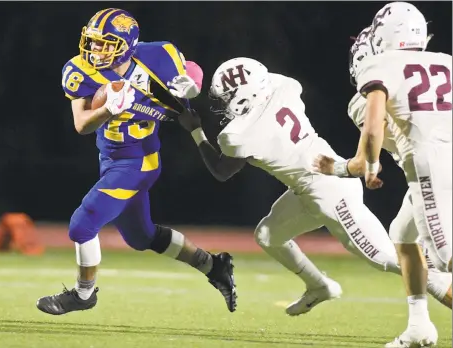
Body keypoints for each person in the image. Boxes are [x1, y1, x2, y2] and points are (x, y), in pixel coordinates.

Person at [178, 56, 429, 318]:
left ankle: (442, 272)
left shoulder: (236, 135)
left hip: (329, 194)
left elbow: (221, 171)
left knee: (387, 259)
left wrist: (196, 131)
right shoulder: (284, 86)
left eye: (225, 98)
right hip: (317, 181)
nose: (222, 105)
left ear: (242, 97)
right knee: (268, 235)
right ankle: (319, 286)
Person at [36, 8, 237, 316]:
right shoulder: (79, 70)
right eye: (93, 42)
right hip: (110, 158)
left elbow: (190, 69)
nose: (95, 50)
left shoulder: (158, 57)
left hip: (139, 161)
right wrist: (107, 111)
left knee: (82, 224)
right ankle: (213, 265)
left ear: (126, 46)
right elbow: (81, 124)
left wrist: (193, 84)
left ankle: (83, 294)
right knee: (141, 237)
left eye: (105, 44)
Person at [331, 2, 451, 346]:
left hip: (433, 163)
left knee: (445, 257)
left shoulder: (379, 65)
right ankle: (419, 327)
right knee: (403, 234)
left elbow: (372, 128)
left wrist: (367, 164)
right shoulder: (445, 61)